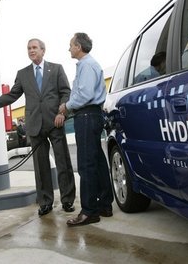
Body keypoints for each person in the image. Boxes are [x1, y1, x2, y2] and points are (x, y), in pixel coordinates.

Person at [0, 38, 76, 216]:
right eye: (29, 48)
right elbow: (12, 96)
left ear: (43, 50)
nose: (31, 50)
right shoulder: (23, 74)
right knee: (40, 166)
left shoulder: (56, 68)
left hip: (55, 122)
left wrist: (62, 112)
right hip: (35, 125)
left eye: (34, 47)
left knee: (63, 163)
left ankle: (67, 200)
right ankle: (45, 202)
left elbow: (66, 92)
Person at [58, 32, 114, 227]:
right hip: (92, 115)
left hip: (87, 115)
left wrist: (67, 106)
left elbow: (85, 94)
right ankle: (105, 204)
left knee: (86, 165)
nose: (69, 48)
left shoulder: (87, 65)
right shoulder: (88, 64)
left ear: (78, 47)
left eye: (71, 45)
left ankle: (89, 211)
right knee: (97, 162)